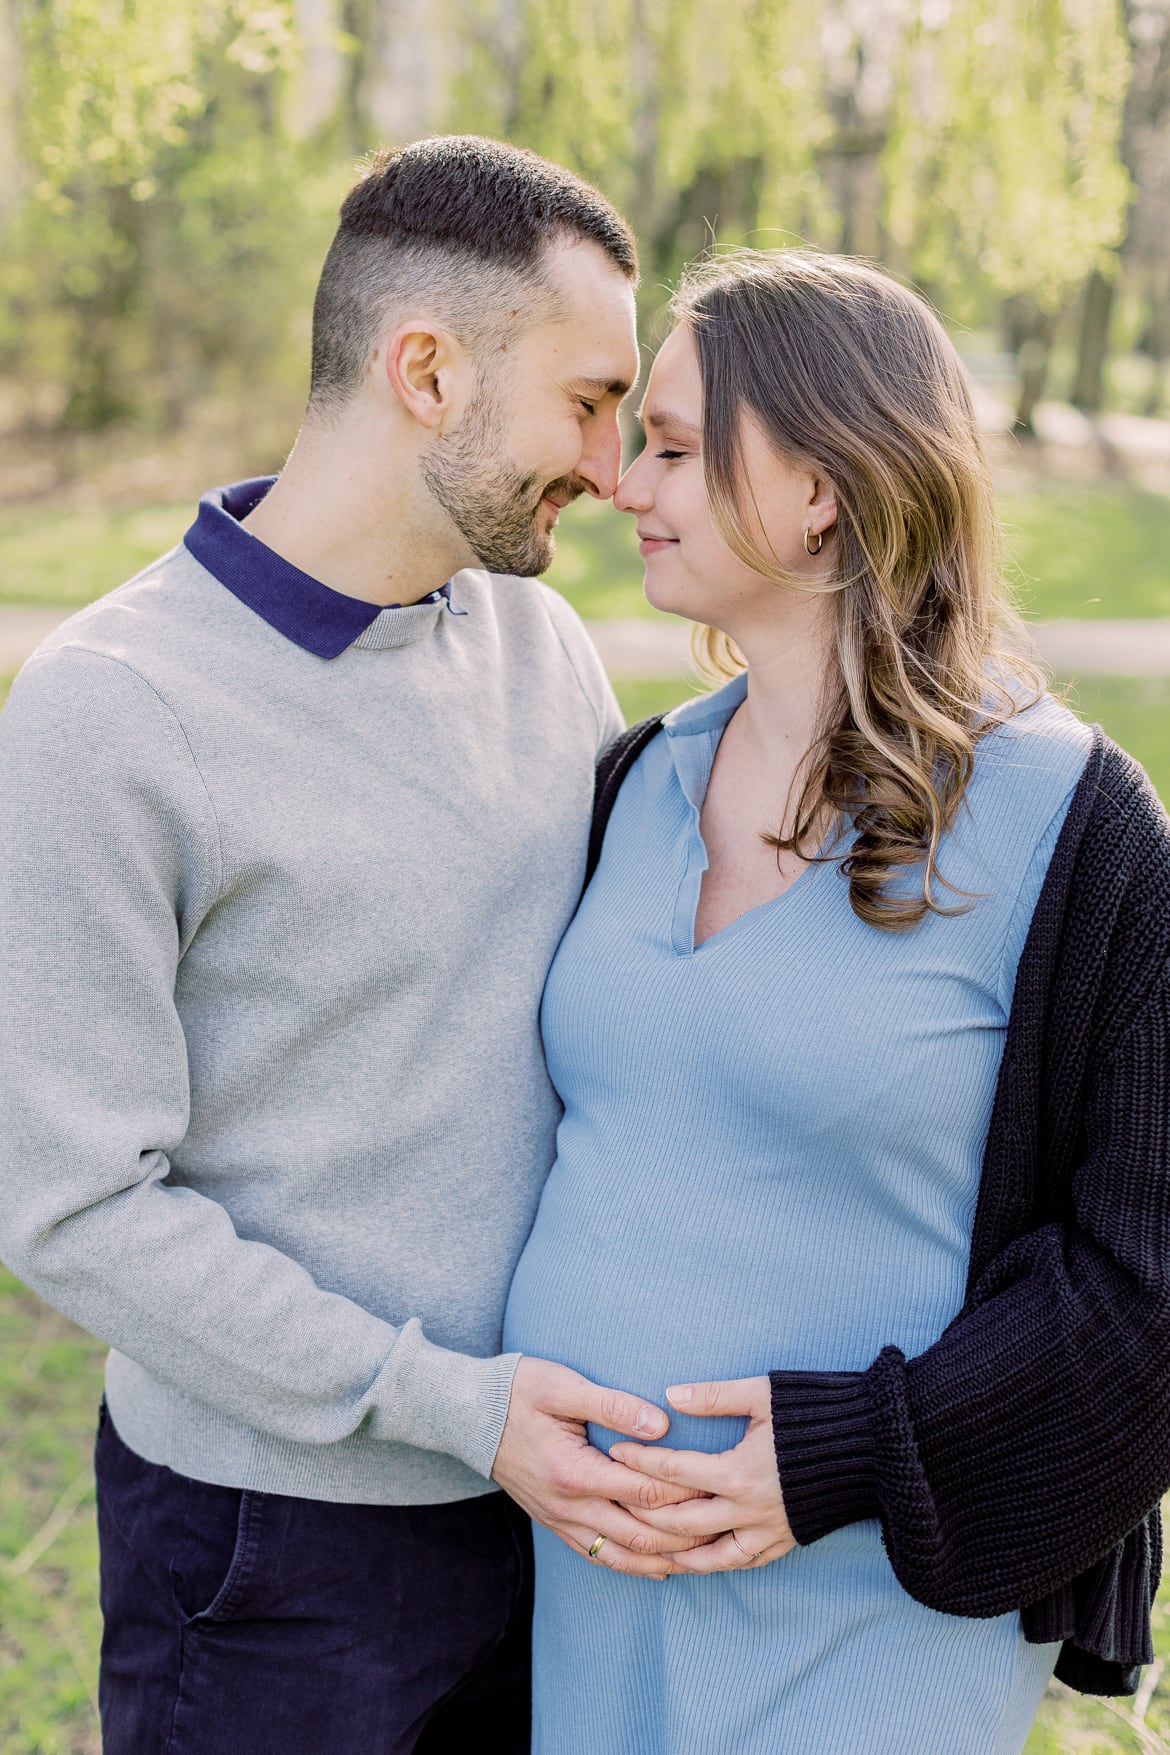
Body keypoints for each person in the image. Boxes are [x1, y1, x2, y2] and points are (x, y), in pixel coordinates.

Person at [0, 135, 692, 1755]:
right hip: (269, 1550)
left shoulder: (538, 641)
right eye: (589, 401)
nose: (610, 464)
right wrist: (456, 1410)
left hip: (548, 1502)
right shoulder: (111, 713)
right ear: (427, 371)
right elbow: (73, 1206)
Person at [503, 249, 1170, 1754]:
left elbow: (1145, 1278)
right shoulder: (634, 778)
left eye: (672, 444)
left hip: (862, 1610)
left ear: (819, 484)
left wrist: (842, 1459)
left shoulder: (1073, 825)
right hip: (581, 1584)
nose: (622, 478)